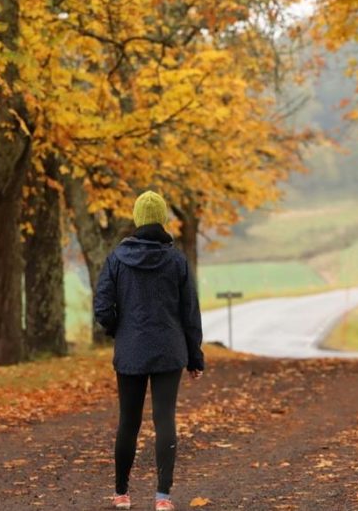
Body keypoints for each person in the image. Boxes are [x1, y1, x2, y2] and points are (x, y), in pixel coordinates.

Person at [94, 190, 205, 511]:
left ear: (137, 220)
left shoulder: (117, 259)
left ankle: (121, 494)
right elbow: (190, 313)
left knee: (128, 421)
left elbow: (102, 306)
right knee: (164, 419)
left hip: (130, 353)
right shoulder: (177, 260)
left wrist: (119, 330)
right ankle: (162, 498)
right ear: (163, 221)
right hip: (169, 351)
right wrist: (195, 356)